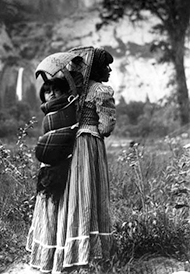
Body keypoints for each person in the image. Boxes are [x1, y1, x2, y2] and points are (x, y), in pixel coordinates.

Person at [27, 47, 116, 273]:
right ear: (96, 68)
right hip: (87, 145)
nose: (109, 70)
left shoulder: (70, 89)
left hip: (64, 144)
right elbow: (106, 128)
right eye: (106, 66)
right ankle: (83, 255)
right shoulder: (101, 91)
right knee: (83, 195)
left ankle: (57, 252)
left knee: (65, 196)